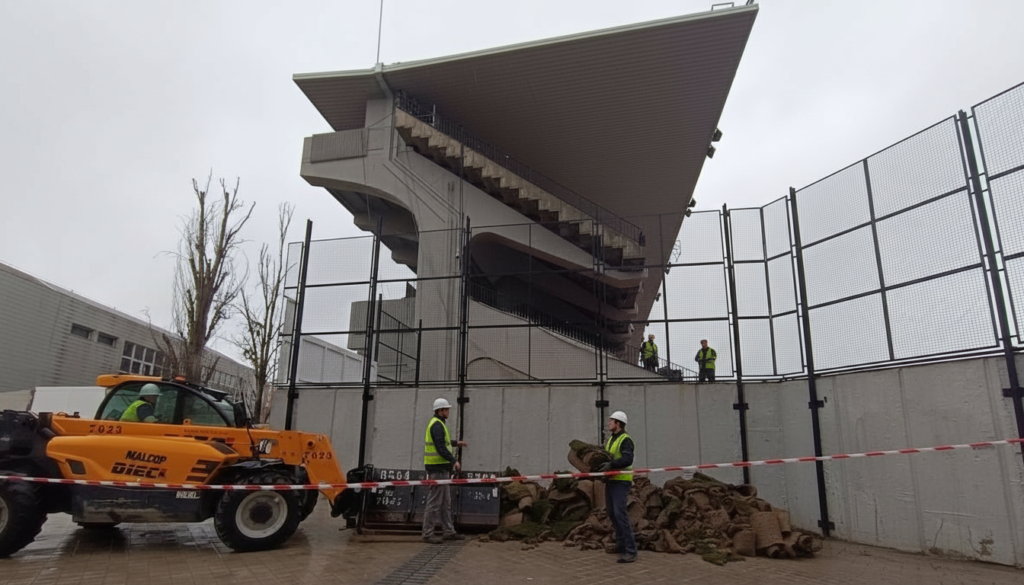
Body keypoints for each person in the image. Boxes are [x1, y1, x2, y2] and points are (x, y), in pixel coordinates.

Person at [422, 397, 468, 544]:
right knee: (435, 502)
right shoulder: (437, 425)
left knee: (445, 503)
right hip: (437, 469)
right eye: (446, 409)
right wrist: (454, 461)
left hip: (441, 468)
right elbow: (440, 447)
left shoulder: (438, 424)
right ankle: (428, 534)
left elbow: (444, 443)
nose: (448, 412)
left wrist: (456, 443)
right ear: (440, 411)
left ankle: (449, 531)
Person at [597, 411, 637, 563]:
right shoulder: (611, 440)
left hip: (621, 481)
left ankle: (631, 551)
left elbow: (627, 459)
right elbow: (608, 457)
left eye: (611, 421)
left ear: (618, 423)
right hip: (611, 481)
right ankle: (621, 545)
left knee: (620, 514)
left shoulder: (625, 440)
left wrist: (611, 465)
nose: (609, 423)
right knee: (612, 513)